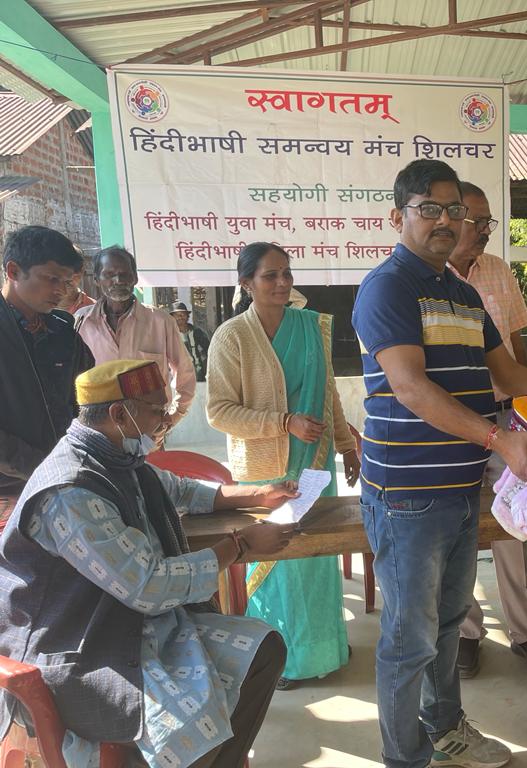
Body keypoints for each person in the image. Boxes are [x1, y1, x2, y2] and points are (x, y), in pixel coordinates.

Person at [352, 159, 527, 768]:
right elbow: (410, 388)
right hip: (407, 495)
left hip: (460, 488)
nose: (444, 221)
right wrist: (500, 440)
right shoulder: (388, 287)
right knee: (408, 639)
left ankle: (445, 728)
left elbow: (509, 374)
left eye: (455, 211)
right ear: (398, 216)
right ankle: (404, 757)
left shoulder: (463, 294)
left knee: (447, 623)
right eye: (429, 209)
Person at [0, 359, 300, 768]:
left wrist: (257, 495)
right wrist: (240, 545)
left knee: (264, 650)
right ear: (119, 414)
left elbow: (181, 491)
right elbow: (149, 586)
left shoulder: (117, 459)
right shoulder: (71, 491)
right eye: (158, 411)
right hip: (75, 651)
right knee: (192, 728)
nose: (167, 421)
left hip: (124, 623)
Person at [207, 242, 359, 691]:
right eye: (270, 275)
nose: (281, 283)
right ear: (246, 283)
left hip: (314, 464)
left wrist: (347, 446)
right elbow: (219, 411)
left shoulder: (311, 327)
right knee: (275, 563)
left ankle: (324, 650)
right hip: (264, 474)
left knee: (314, 560)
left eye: (286, 273)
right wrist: (283, 422)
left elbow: (328, 394)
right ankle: (280, 660)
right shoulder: (232, 337)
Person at [448, 181, 527, 681]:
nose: (484, 231)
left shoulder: (497, 270)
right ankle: (466, 632)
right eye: (476, 221)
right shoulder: (420, 280)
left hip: (505, 418)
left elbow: (515, 349)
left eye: (488, 221)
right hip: (449, 426)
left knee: (517, 521)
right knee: (459, 529)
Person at [0, 226, 93, 529]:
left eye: (67, 282)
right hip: (9, 489)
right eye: (51, 279)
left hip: (65, 480)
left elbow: (87, 400)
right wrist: (45, 466)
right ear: (14, 271)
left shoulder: (63, 332)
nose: (61, 291)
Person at [75, 246, 196, 443]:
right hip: (98, 435)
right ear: (96, 279)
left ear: (135, 278)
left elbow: (185, 371)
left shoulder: (160, 321)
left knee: (152, 466)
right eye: (109, 274)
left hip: (149, 435)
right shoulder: (81, 322)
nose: (118, 280)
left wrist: (173, 416)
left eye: (124, 274)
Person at [171, 300, 211, 382]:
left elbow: (209, 349)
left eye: (183, 314)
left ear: (187, 316)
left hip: (198, 372)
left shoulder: (196, 332)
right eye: (177, 315)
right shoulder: (170, 334)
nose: (180, 317)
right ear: (172, 318)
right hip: (179, 374)